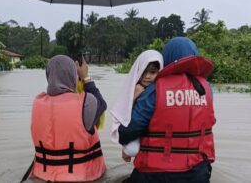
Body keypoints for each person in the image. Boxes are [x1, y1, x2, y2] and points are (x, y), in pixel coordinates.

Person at [118, 37, 215, 183]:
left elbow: (126, 132)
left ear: (166, 59)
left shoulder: (154, 90)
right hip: (198, 173)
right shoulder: (207, 89)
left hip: (154, 175)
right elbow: (210, 121)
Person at [29, 55, 107, 182]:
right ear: (74, 75)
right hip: (82, 177)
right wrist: (86, 78)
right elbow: (102, 104)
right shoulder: (86, 101)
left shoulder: (37, 103)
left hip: (42, 176)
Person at [110, 50, 164, 161]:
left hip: (155, 135)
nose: (147, 76)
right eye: (143, 72)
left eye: (152, 72)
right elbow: (124, 114)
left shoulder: (161, 90)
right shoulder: (132, 88)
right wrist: (134, 95)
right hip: (135, 128)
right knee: (131, 149)